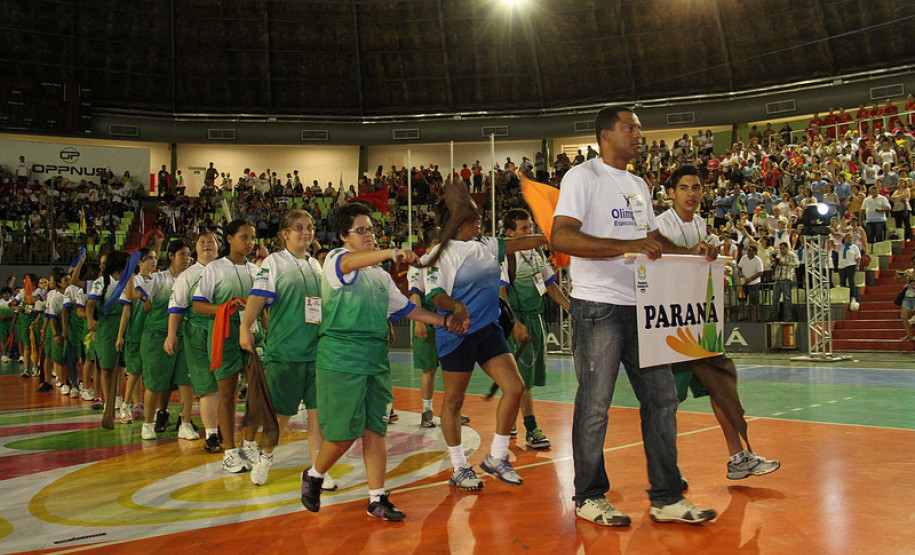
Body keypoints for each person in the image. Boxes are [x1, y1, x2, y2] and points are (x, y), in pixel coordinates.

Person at [551, 106, 717, 527]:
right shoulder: (582, 177)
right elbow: (562, 236)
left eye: (639, 128)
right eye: (631, 128)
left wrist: (689, 252)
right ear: (607, 134)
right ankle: (589, 495)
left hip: (642, 305)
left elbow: (649, 241)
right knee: (595, 404)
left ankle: (665, 497)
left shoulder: (639, 184)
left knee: (662, 398)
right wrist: (623, 248)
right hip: (598, 306)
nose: (639, 135)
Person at [300, 202, 464, 521]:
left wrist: (445, 322)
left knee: (376, 431)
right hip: (341, 358)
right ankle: (315, 474)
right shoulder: (336, 260)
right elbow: (350, 263)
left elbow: (406, 310)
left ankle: (377, 498)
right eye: (361, 230)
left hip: (375, 360)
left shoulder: (378, 276)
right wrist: (392, 253)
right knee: (344, 434)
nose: (369, 235)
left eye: (371, 230)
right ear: (342, 236)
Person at [657, 165, 780, 482]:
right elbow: (655, 266)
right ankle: (665, 467)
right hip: (671, 328)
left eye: (696, 188)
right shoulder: (661, 226)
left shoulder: (700, 224)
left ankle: (738, 457)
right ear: (672, 193)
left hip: (700, 324)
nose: (691, 194)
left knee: (720, 387)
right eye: (684, 188)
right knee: (666, 401)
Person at [421, 185, 546, 492]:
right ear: (454, 222)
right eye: (471, 219)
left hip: (488, 330)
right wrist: (457, 306)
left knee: (514, 388)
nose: (478, 223)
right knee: (453, 401)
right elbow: (436, 295)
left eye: (478, 218)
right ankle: (459, 466)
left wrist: (549, 235)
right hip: (457, 333)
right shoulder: (442, 254)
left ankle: (497, 457)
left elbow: (520, 242)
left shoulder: (486, 245)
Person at [240, 210, 333, 488]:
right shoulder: (274, 262)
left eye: (310, 228)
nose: (305, 232)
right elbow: (257, 297)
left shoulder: (317, 266)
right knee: (279, 417)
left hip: (316, 354)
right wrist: (246, 326)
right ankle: (265, 458)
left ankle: (318, 471)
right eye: (298, 228)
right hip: (285, 353)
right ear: (284, 233)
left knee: (318, 418)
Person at [193, 220, 261, 472]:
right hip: (223, 335)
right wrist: (225, 308)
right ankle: (229, 451)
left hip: (254, 335)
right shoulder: (214, 269)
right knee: (227, 393)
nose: (250, 242)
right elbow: (198, 305)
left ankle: (249, 442)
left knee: (258, 390)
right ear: (229, 239)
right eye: (244, 237)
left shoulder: (257, 271)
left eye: (252, 237)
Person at [500, 208, 570, 449]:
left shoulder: (537, 252)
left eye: (530, 227)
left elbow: (550, 285)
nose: (529, 232)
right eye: (523, 229)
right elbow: (501, 295)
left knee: (527, 376)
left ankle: (508, 418)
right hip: (517, 321)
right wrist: (515, 324)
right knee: (523, 379)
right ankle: (532, 429)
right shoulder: (505, 258)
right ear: (510, 233)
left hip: (535, 319)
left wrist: (570, 306)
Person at [125, 240, 195, 441]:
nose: (187, 259)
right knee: (155, 384)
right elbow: (131, 294)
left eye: (189, 255)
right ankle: (148, 423)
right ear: (171, 256)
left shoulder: (192, 279)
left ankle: (186, 423)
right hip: (157, 337)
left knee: (186, 381)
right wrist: (129, 273)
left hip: (184, 336)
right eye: (182, 254)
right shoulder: (159, 279)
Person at [167, 232, 222, 453]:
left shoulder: (226, 270)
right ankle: (211, 434)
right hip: (198, 334)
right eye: (202, 242)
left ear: (220, 247)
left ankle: (223, 427)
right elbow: (176, 307)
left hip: (226, 332)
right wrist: (171, 335)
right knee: (207, 386)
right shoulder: (188, 276)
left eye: (212, 242)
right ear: (196, 250)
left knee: (227, 385)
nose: (207, 245)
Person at [85, 251, 128, 425]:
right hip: (107, 327)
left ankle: (118, 397)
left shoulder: (129, 281)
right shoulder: (102, 282)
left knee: (122, 366)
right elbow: (90, 305)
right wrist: (90, 320)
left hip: (125, 325)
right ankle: (107, 400)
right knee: (107, 367)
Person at [116, 248, 156, 424]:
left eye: (155, 258)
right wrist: (120, 335)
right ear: (140, 262)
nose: (154, 261)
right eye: (150, 258)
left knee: (149, 372)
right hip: (135, 333)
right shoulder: (133, 281)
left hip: (153, 333)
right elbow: (126, 312)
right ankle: (125, 405)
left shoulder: (158, 279)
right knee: (134, 371)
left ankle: (140, 404)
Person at [770, 242, 799, 321]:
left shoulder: (792, 255)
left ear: (787, 248)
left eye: (783, 248)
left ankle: (788, 316)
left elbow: (797, 264)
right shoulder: (778, 255)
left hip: (786, 278)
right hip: (777, 278)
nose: (781, 250)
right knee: (775, 298)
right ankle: (774, 316)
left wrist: (786, 264)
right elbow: (773, 265)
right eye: (780, 248)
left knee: (787, 298)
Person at [835, 233, 861, 305]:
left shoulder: (855, 247)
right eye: (848, 238)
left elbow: (858, 257)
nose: (849, 239)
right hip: (842, 266)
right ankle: (844, 295)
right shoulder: (840, 246)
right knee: (842, 282)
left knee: (851, 281)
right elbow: (833, 245)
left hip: (851, 265)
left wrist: (857, 265)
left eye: (851, 238)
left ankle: (853, 296)